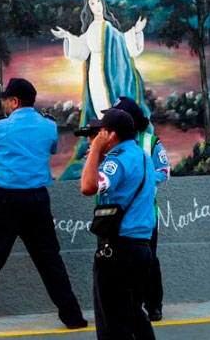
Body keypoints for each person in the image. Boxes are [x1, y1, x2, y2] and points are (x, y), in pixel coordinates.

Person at [0, 78, 87, 332]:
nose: (4, 104)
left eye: (6, 100)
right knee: (50, 261)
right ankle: (73, 317)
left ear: (14, 101)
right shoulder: (49, 126)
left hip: (4, 201)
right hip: (37, 200)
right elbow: (51, 148)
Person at [51, 0, 152, 180]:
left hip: (111, 76)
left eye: (98, 2)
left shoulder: (109, 27)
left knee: (110, 108)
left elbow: (123, 44)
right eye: (92, 3)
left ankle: (114, 145)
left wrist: (135, 32)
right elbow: (82, 49)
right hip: (95, 75)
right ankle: (102, 147)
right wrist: (67, 37)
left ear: (102, 4)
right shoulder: (91, 28)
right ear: (88, 7)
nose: (96, 6)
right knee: (99, 109)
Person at [81, 108, 157, 340]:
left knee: (112, 322)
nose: (95, 137)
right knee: (133, 314)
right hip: (141, 248)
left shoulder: (117, 161)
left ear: (111, 135)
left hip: (118, 250)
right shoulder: (142, 155)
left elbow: (88, 186)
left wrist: (95, 151)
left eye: (101, 132)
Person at [106, 97, 170, 322]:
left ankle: (153, 305)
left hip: (144, 214)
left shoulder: (151, 142)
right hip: (113, 217)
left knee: (149, 259)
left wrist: (140, 179)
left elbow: (164, 171)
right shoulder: (108, 142)